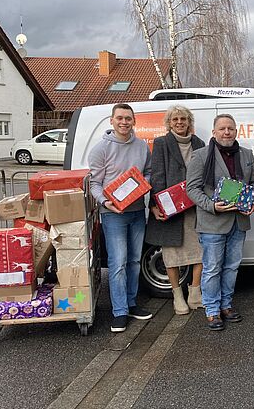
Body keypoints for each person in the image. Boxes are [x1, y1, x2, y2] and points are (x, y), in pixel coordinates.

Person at [186, 114, 254, 331]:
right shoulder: (200, 156)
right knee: (212, 269)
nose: (226, 132)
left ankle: (226, 305)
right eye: (222, 129)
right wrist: (211, 206)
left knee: (232, 266)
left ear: (236, 131)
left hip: (239, 221)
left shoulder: (246, 154)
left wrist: (251, 198)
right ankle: (212, 310)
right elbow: (192, 189)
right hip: (213, 222)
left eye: (230, 128)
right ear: (214, 132)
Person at [89, 103, 153, 333]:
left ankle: (131, 302)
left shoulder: (142, 146)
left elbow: (148, 171)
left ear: (134, 121)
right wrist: (105, 202)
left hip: (136, 211)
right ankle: (119, 312)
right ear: (112, 120)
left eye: (128, 118)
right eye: (120, 118)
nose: (124, 122)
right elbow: (94, 183)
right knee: (118, 263)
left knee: (135, 260)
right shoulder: (100, 149)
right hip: (113, 213)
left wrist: (144, 184)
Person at [145, 106, 206, 315]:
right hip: (170, 209)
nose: (179, 122)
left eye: (183, 119)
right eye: (175, 119)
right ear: (169, 123)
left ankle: (195, 294)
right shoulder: (162, 143)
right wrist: (155, 205)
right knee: (171, 254)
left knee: (199, 251)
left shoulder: (199, 143)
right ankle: (177, 296)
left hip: (194, 208)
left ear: (189, 122)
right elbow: (157, 176)